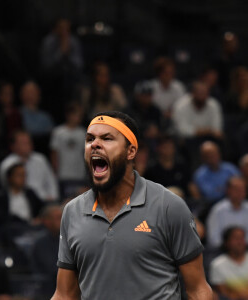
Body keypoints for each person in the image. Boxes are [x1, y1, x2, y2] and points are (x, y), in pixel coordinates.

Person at [51, 111, 213, 299]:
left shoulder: (168, 205)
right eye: (89, 139)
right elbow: (64, 294)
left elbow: (198, 290)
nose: (94, 144)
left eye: (107, 138)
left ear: (131, 151)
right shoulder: (72, 211)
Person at [0, 130, 59, 201]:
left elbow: (51, 181)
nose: (28, 145)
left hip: (45, 199)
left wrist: (54, 197)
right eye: (23, 143)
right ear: (13, 146)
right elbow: (7, 188)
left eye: (29, 142)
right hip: (22, 202)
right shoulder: (8, 164)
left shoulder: (40, 159)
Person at [50, 103, 86, 199]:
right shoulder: (58, 132)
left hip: (79, 175)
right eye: (76, 115)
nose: (78, 118)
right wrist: (55, 171)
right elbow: (54, 153)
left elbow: (85, 153)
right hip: (63, 174)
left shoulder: (83, 133)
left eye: (80, 116)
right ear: (69, 115)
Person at [206, 177, 248, 249]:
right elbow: (213, 238)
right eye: (236, 189)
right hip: (223, 251)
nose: (240, 192)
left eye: (242, 189)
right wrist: (228, 247)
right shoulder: (218, 210)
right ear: (228, 190)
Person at [32, 204, 63, 298]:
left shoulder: (69, 239)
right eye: (58, 217)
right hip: (47, 289)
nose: (62, 220)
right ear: (47, 221)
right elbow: (52, 268)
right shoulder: (40, 243)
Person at [209, 226, 248, 299]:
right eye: (236, 238)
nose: (240, 242)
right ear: (226, 242)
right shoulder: (217, 265)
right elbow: (224, 293)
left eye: (242, 238)